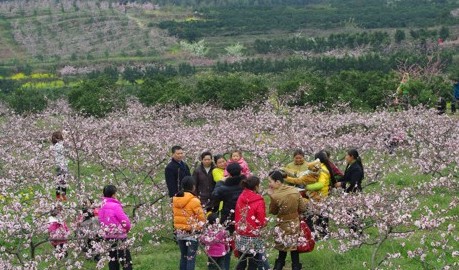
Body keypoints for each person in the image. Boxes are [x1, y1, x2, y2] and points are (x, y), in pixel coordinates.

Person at [268, 170, 307, 270]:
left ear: (278, 182)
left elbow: (273, 211)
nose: (269, 184)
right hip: (295, 223)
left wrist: (271, 196)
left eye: (270, 182)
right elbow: (303, 208)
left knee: (282, 249)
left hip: (283, 224)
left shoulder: (275, 196)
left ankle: (278, 267)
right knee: (294, 249)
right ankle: (296, 267)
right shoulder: (295, 191)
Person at [211, 163, 245, 270]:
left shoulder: (224, 188)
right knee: (242, 246)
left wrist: (220, 182)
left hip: (228, 218)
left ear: (228, 173)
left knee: (227, 246)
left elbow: (214, 197)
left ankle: (225, 267)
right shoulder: (246, 185)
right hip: (244, 218)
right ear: (241, 171)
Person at [235, 176, 269, 270]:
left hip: (241, 232)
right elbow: (261, 219)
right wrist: (265, 222)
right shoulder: (258, 200)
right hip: (253, 234)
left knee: (241, 261)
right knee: (253, 261)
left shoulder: (241, 196)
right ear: (256, 186)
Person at [173, 176, 206, 270]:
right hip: (192, 232)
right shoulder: (194, 200)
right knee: (191, 258)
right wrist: (200, 228)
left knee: (183, 257)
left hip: (180, 232)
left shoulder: (176, 199)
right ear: (193, 186)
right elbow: (202, 218)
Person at [98, 185, 132, 270]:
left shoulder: (101, 206)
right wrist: (126, 229)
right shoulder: (116, 206)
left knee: (112, 261)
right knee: (126, 261)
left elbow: (101, 221)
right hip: (119, 236)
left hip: (108, 237)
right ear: (113, 195)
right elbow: (125, 221)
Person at [51, 131, 68, 201]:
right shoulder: (60, 146)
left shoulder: (53, 147)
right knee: (63, 181)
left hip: (57, 165)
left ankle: (58, 196)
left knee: (58, 181)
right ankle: (63, 195)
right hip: (62, 165)